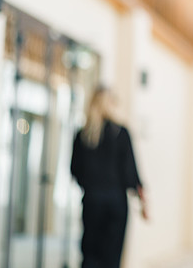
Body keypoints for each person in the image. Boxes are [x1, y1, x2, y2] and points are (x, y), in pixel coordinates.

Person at [71, 88, 148, 268]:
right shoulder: (121, 133)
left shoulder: (82, 136)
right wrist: (142, 198)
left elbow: (74, 170)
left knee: (90, 255)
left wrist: (90, 187)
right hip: (116, 203)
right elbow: (130, 173)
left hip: (92, 201)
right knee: (112, 258)